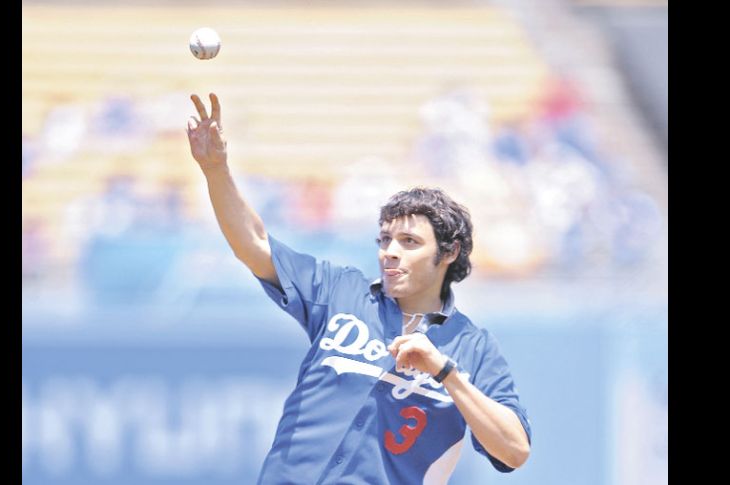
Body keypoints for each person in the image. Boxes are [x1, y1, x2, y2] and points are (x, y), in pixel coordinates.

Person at [186, 93, 532, 484]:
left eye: (409, 242)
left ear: (449, 252)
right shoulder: (340, 292)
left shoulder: (472, 346)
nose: (390, 252)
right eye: (385, 239)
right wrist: (216, 170)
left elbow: (514, 450)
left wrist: (445, 372)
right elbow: (255, 245)